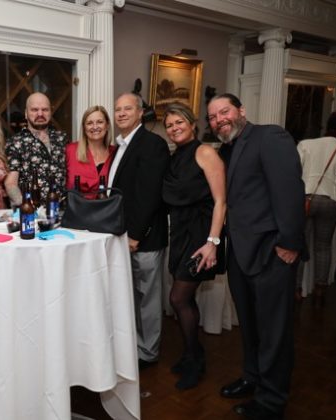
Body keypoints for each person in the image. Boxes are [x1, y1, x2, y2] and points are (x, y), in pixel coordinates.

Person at [208, 93, 305, 419]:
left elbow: (290, 190)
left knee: (273, 331)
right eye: (213, 117)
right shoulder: (226, 149)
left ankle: (271, 401)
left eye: (224, 111)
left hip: (271, 252)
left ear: (241, 110)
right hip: (240, 252)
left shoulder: (269, 136)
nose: (219, 120)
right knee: (249, 325)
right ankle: (252, 377)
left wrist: (289, 242)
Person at [161, 103, 226, 390]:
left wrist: (213, 242)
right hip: (180, 232)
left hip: (201, 235)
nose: (174, 128)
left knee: (178, 298)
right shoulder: (175, 157)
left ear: (192, 123)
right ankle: (192, 355)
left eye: (179, 122)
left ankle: (195, 361)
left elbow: (221, 201)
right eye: (169, 125)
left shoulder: (206, 152)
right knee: (185, 299)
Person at [109, 92, 170, 369]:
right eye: (118, 109)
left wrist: (135, 235)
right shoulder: (120, 145)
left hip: (143, 236)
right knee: (130, 295)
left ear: (140, 112)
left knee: (147, 297)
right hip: (122, 234)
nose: (121, 114)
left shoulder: (152, 144)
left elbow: (149, 194)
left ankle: (147, 352)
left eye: (127, 109)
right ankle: (133, 345)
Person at [296, 109, 336, 306]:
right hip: (331, 200)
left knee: (300, 244)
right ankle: (320, 290)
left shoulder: (305, 144)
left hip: (305, 198)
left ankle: (296, 290)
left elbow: (295, 173)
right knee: (323, 246)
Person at [5, 92, 68, 202]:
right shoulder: (15, 143)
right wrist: (25, 205)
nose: (40, 114)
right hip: (33, 210)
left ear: (50, 112)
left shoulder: (62, 139)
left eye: (45, 109)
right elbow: (11, 184)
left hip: (63, 208)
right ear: (26, 113)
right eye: (34, 110)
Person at [65, 105, 116, 198]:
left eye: (100, 122)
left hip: (108, 206)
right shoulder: (70, 150)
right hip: (76, 206)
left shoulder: (116, 154)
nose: (95, 127)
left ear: (107, 125)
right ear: (84, 128)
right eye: (89, 123)